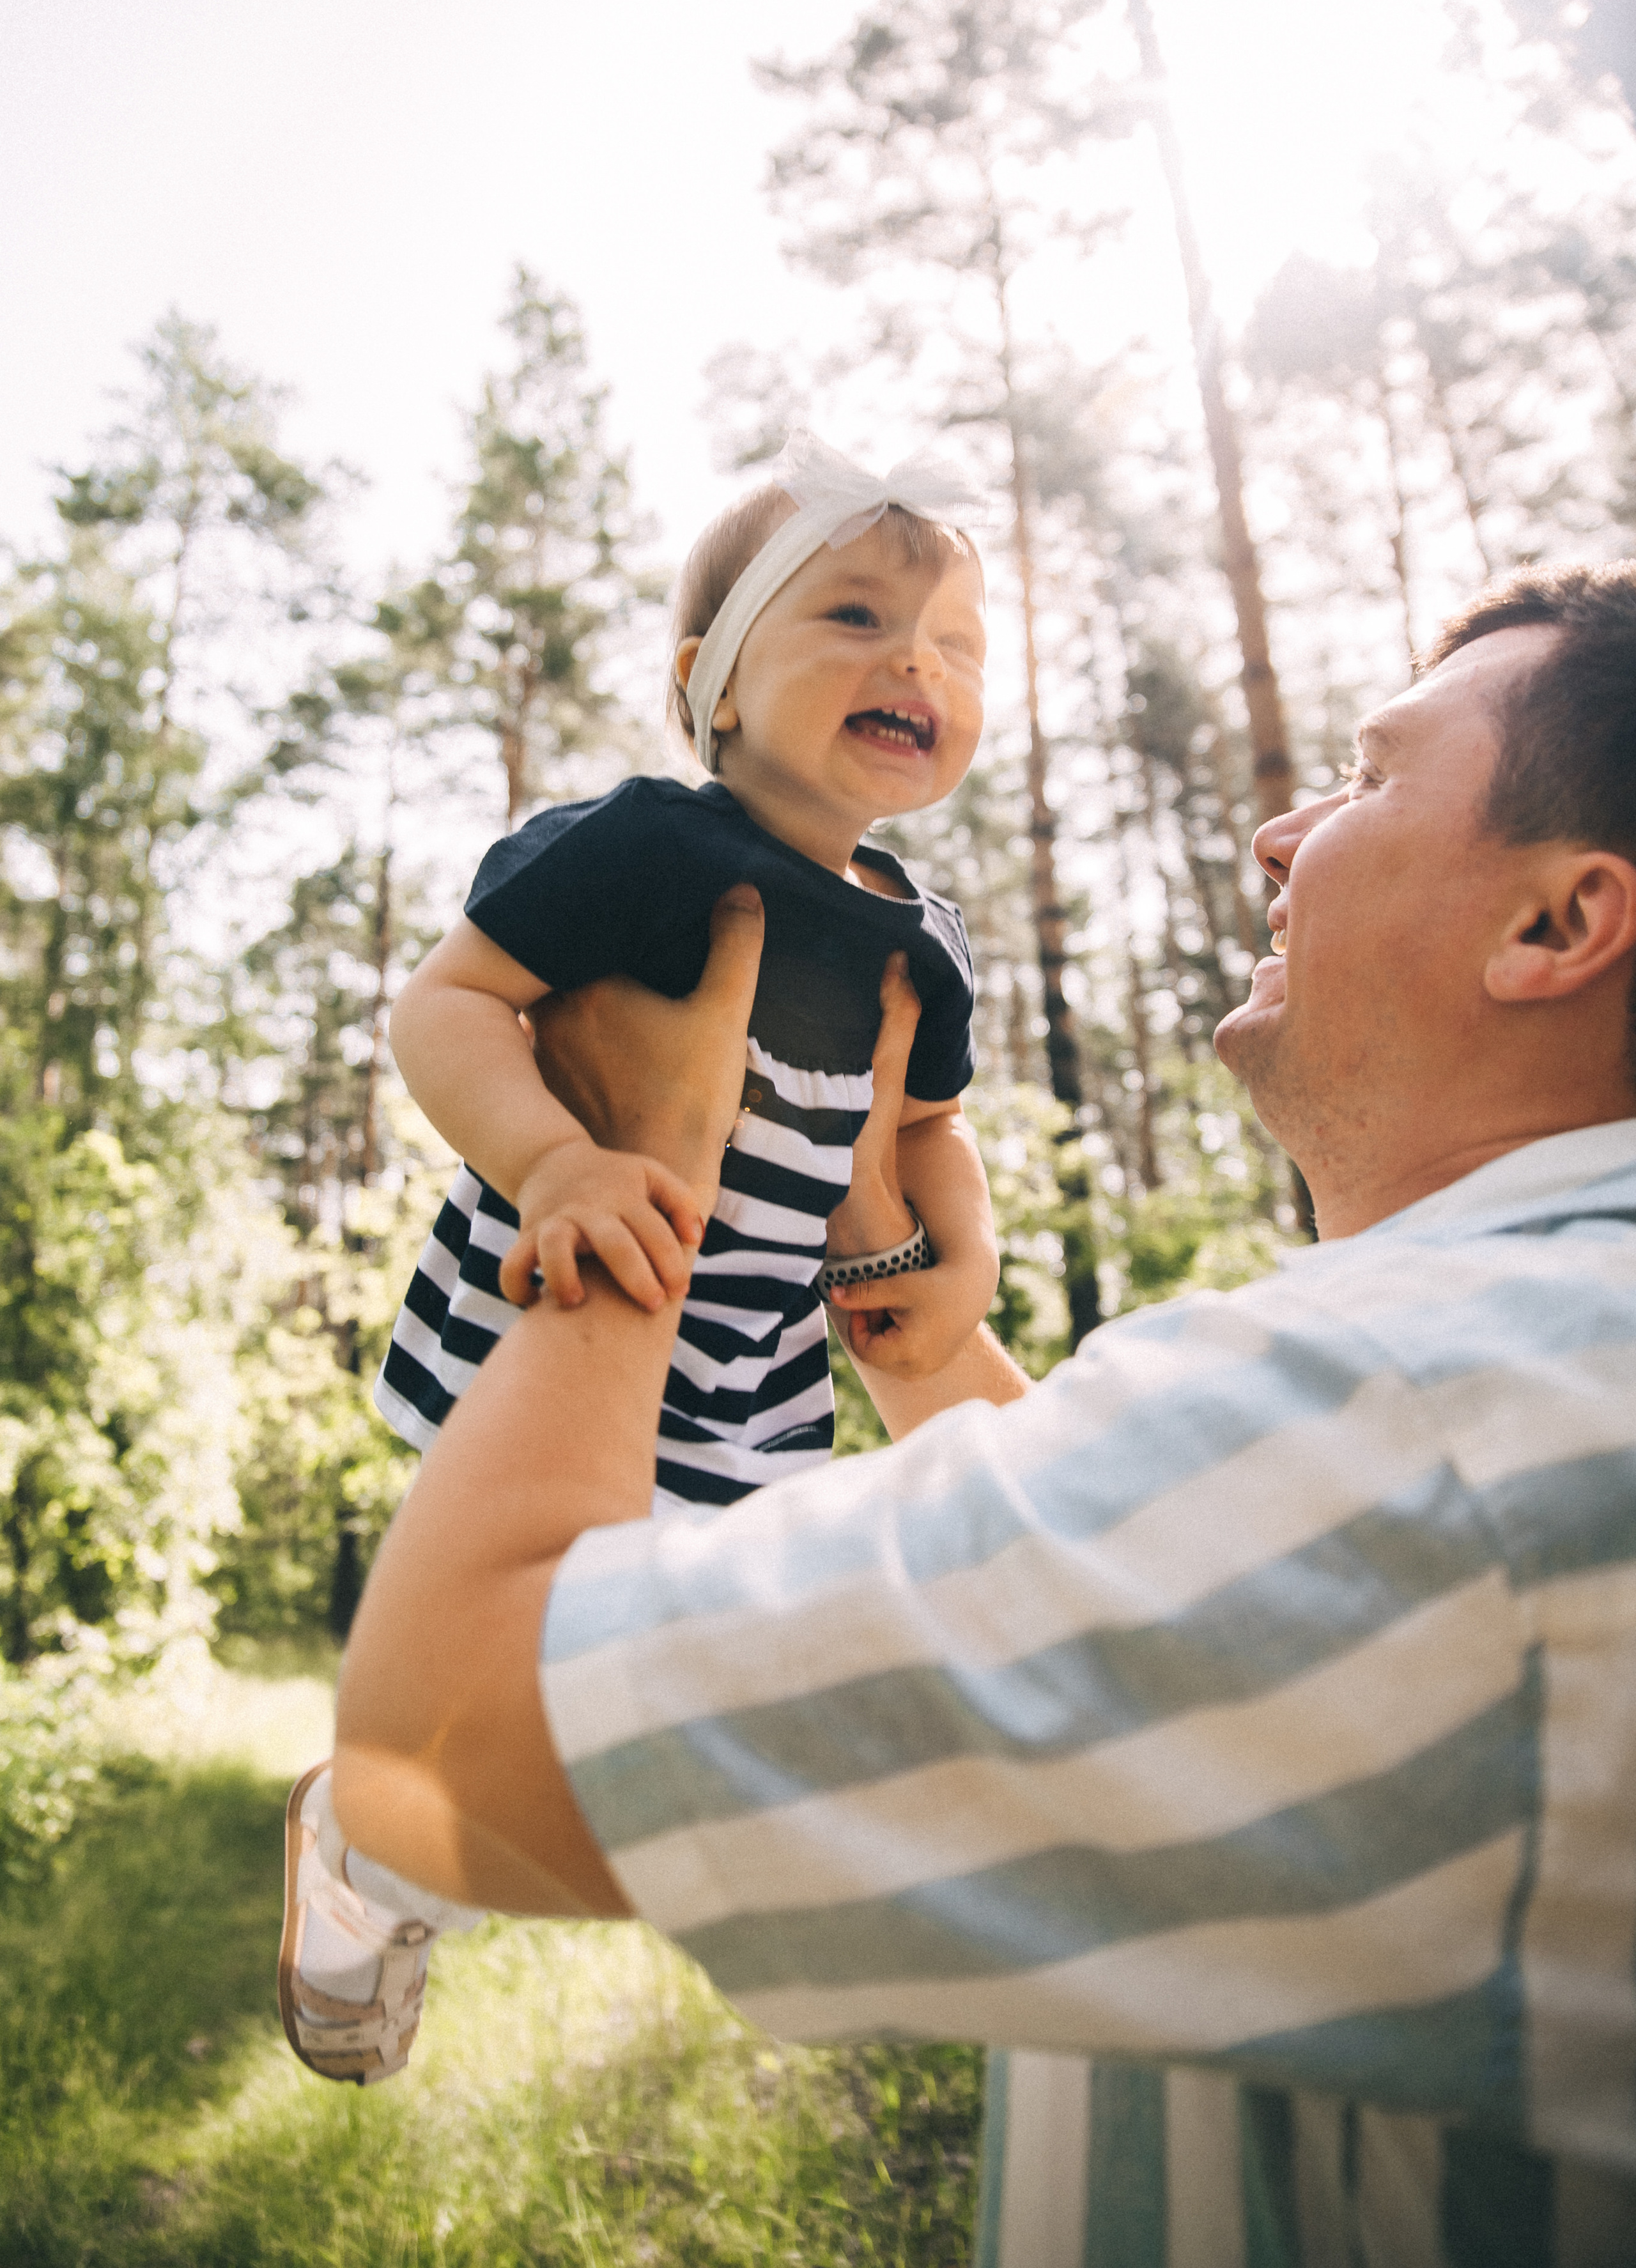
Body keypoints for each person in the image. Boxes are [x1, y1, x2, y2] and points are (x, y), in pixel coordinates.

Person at [325, 562, 1636, 2264]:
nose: (1281, 834)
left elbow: (441, 1750)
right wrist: (893, 1265)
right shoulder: (1527, 1383)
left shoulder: (1416, 1417)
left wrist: (645, 1168)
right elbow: (1155, 1593)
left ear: (1557, 925)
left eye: (1374, 778)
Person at [278, 430, 1003, 2084]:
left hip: (745, 1380)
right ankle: (362, 1845)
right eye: (856, 617)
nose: (919, 661)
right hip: (550, 1326)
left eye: (960, 644)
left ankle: (396, 1850)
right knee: (496, 1698)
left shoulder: (925, 940)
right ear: (713, 683)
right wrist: (558, 1160)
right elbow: (448, 1008)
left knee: (650, 1715)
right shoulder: (630, 849)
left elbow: (931, 1132)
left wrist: (956, 1256)